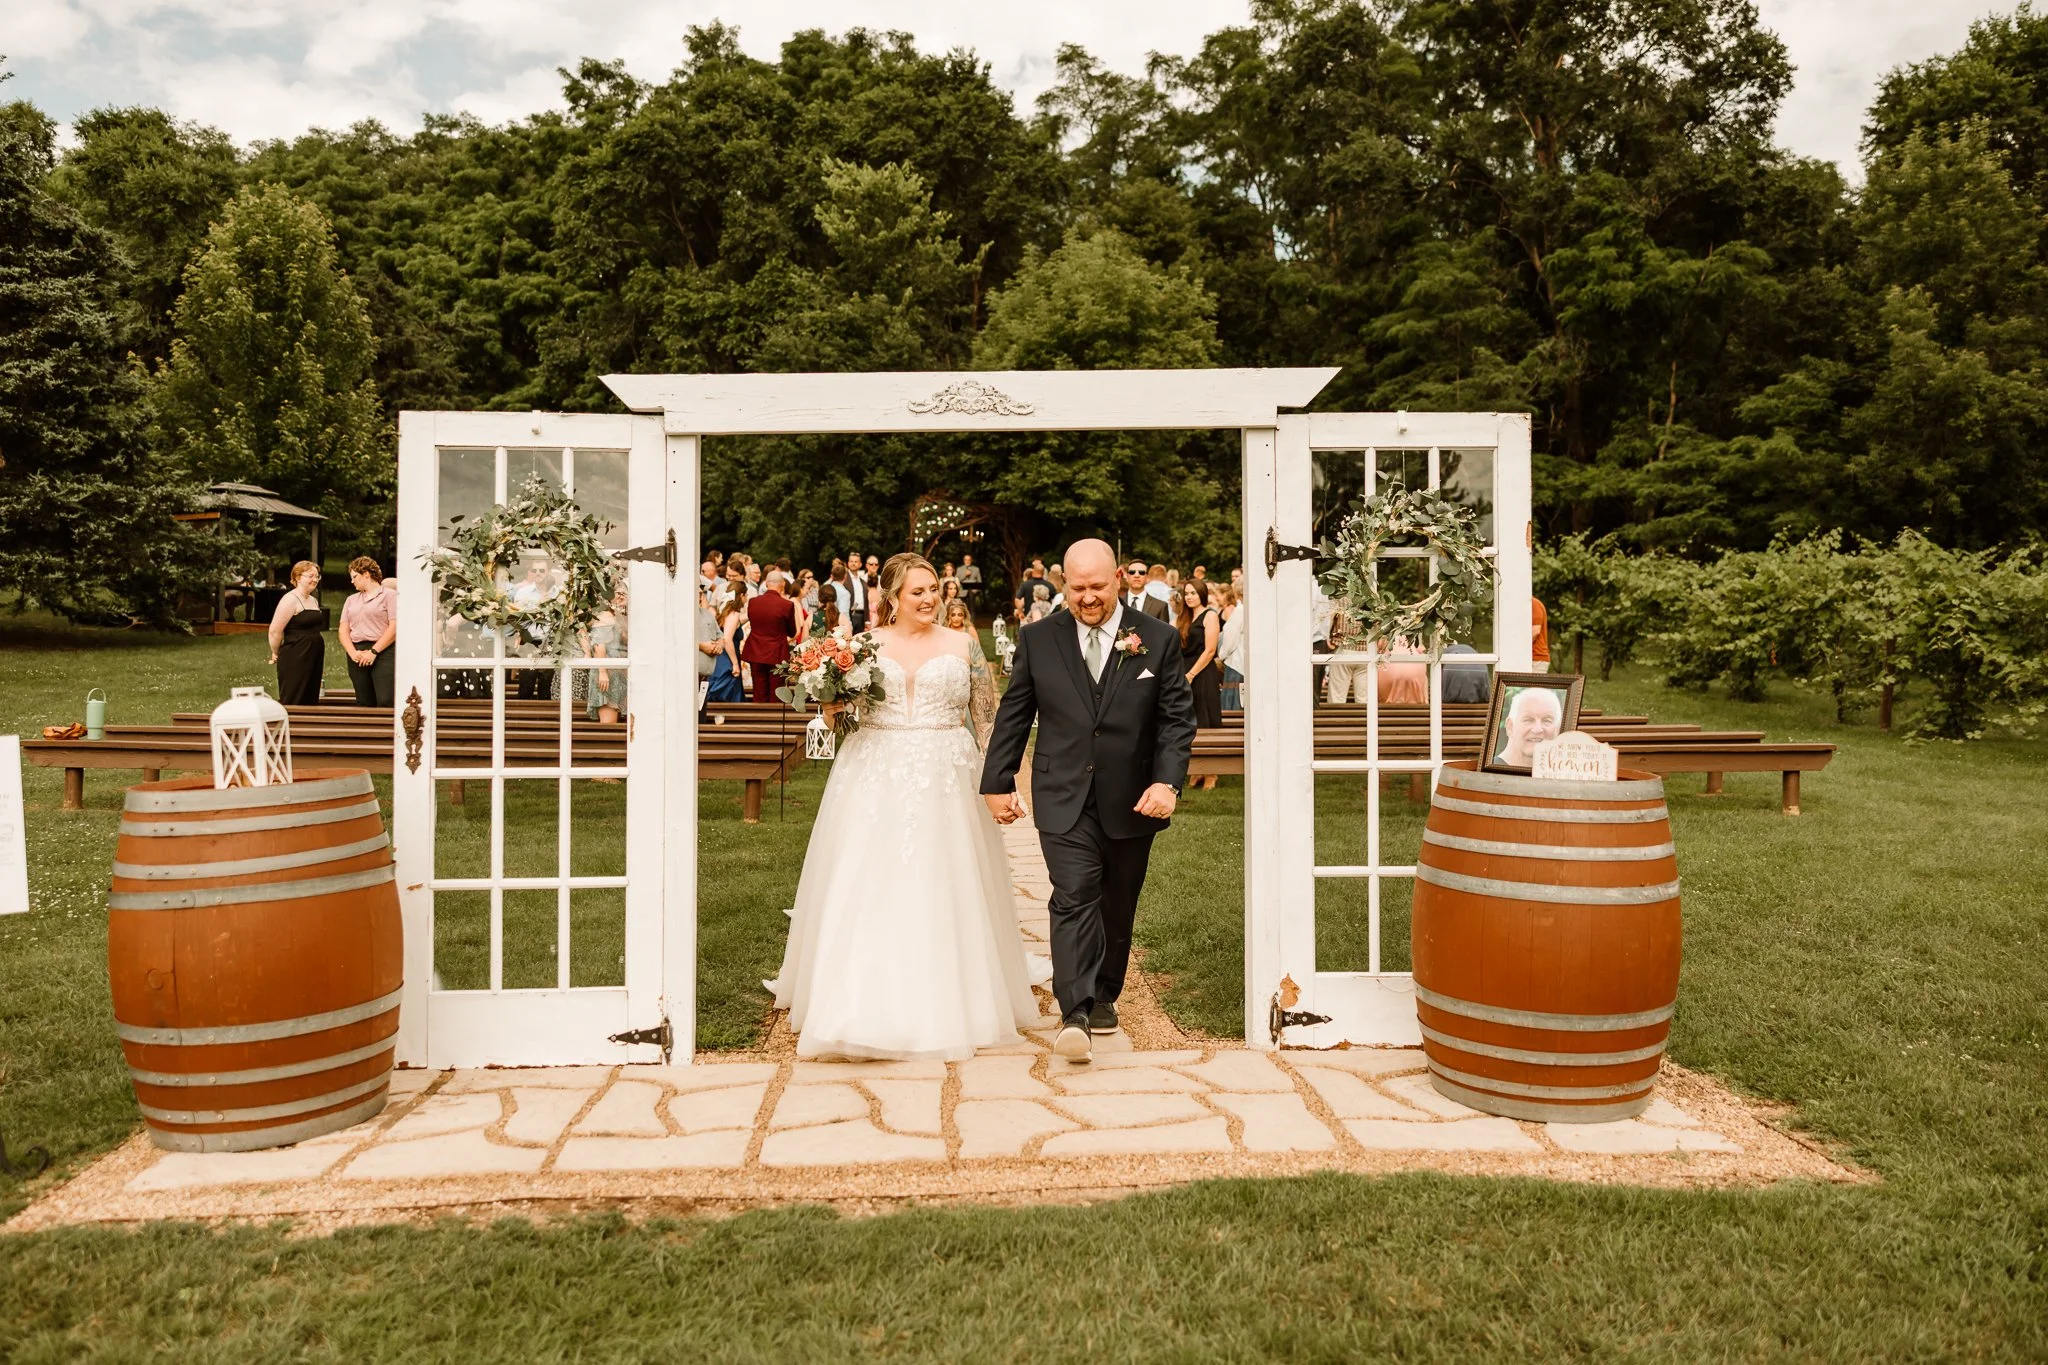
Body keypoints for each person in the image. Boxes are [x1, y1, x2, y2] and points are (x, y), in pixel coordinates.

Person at [768, 552, 1041, 1061]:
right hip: (875, 771)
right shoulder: (863, 646)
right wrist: (828, 707)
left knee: (946, 876)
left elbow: (987, 718)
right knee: (870, 877)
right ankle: (860, 998)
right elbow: (839, 724)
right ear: (892, 598)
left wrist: (1004, 781)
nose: (929, 598)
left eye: (934, 588)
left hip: (947, 772)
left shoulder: (964, 643)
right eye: (917, 591)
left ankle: (956, 995)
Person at [981, 539, 1197, 1062]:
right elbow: (1015, 714)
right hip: (1062, 792)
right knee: (1073, 892)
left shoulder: (1158, 638)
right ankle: (1074, 1008)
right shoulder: (1038, 639)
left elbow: (1175, 720)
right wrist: (997, 780)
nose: (1087, 598)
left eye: (1097, 587)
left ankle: (1104, 992)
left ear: (1118, 578)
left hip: (1133, 797)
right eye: (1076, 589)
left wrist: (1167, 783)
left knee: (1117, 901)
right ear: (1064, 586)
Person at [338, 557, 397, 707]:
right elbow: (343, 630)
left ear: (366, 574)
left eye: (354, 577)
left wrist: (373, 652)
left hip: (383, 650)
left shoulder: (389, 595)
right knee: (364, 701)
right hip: (356, 652)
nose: (352, 581)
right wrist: (353, 653)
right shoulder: (351, 600)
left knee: (385, 700)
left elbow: (394, 627)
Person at [269, 560, 328, 706]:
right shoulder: (290, 599)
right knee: (295, 693)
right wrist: (276, 652)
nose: (315, 579)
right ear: (297, 577)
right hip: (296, 653)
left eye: (317, 576)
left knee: (311, 694)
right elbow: (275, 630)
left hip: (314, 653)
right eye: (310, 576)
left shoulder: (313, 600)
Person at [741, 570, 799, 704]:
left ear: (766, 584)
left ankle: (758, 722)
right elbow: (792, 632)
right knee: (776, 694)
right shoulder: (786, 605)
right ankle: (774, 722)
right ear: (783, 585)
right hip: (776, 653)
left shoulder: (753, 602)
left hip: (756, 650)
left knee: (759, 692)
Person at [1180, 580, 1223, 734]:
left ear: (1202, 594)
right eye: (1186, 594)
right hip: (1184, 673)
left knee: (1204, 718)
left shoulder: (1210, 615)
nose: (1189, 597)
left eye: (1193, 593)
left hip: (1202, 672)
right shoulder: (1182, 618)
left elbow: (1210, 650)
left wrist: (1191, 675)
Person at [585, 582, 630, 723]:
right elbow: (599, 645)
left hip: (623, 672)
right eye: (618, 593)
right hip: (608, 673)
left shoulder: (623, 617)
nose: (621, 597)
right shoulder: (604, 615)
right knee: (609, 722)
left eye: (624, 593)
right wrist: (602, 672)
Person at [1496, 685, 1564, 767]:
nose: (1537, 729)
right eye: (1528, 720)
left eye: (1547, 720)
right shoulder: (1489, 773)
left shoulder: (1566, 774)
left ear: (1558, 729)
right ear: (1510, 727)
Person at [707, 598, 748, 703]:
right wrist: (735, 663)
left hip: (724, 656)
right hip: (728, 657)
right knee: (728, 689)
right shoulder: (734, 614)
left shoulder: (724, 614)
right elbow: (727, 639)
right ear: (741, 595)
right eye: (746, 595)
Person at [1215, 582, 1245, 711]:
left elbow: (1230, 638)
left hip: (1236, 664)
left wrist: (1221, 655)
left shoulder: (1240, 610)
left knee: (1232, 705)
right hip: (1245, 663)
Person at [1377, 637, 1428, 705]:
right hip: (1414, 671)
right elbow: (1422, 650)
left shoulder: (1386, 636)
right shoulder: (1412, 637)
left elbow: (1379, 647)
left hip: (1390, 670)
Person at [1532, 596, 1551, 673]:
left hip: (1537, 658)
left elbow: (1535, 631)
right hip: (1531, 658)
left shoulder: (1533, 603)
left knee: (1534, 685)